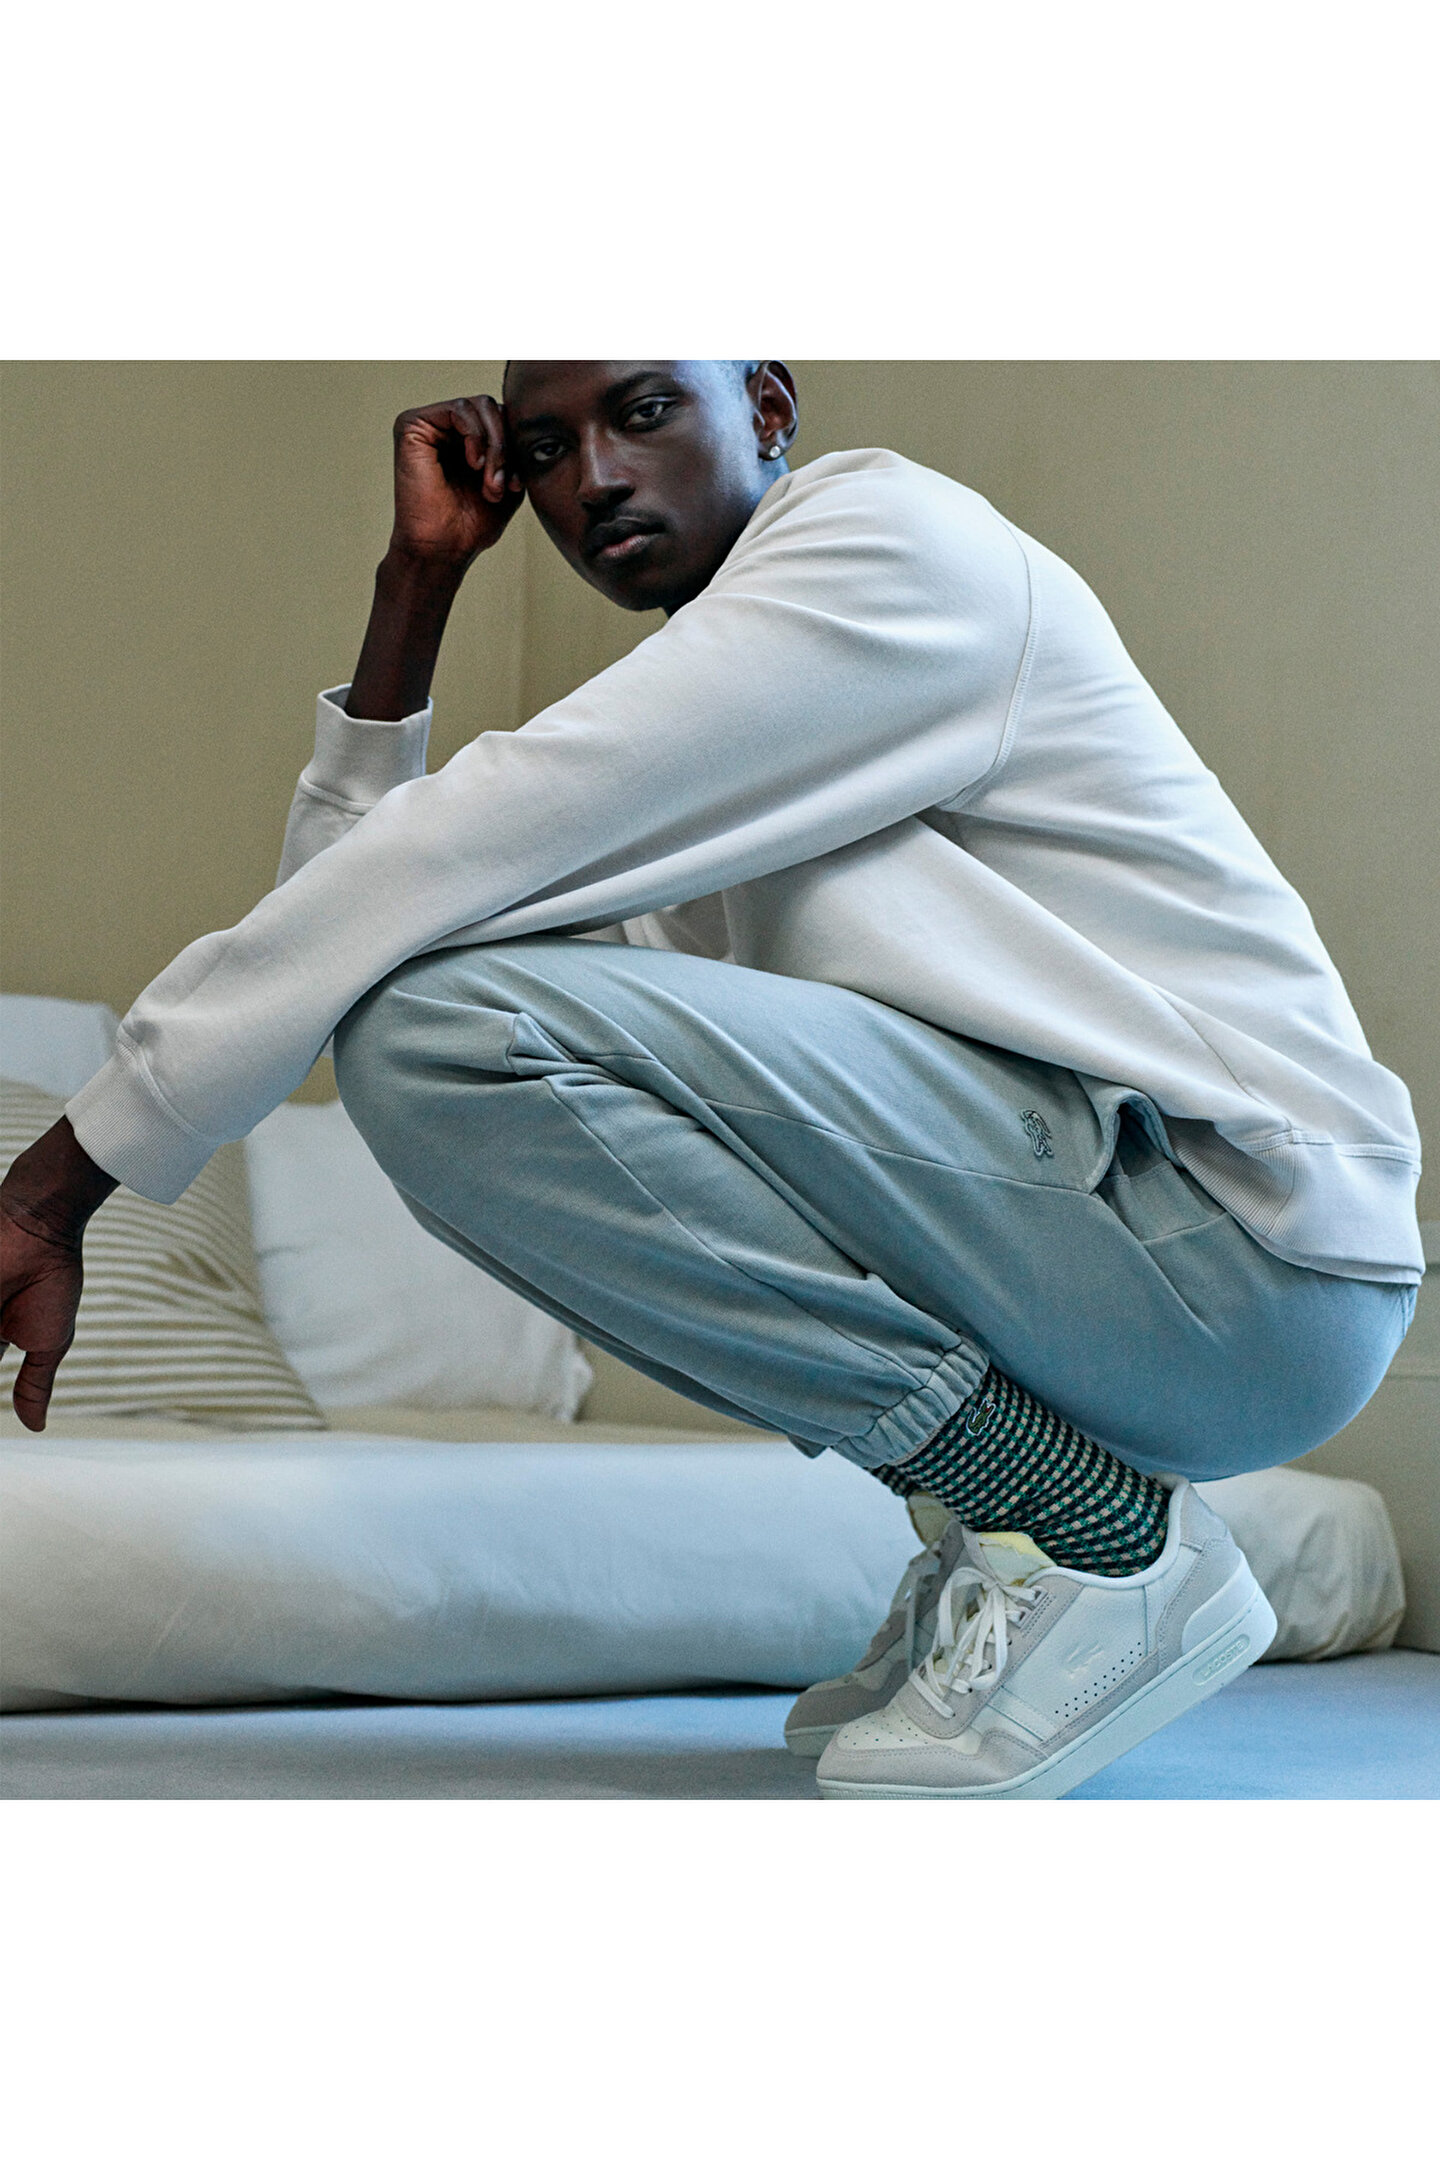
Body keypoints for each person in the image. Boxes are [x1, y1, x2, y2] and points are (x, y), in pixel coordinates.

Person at [0, 361, 1423, 1798]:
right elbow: (354, 934)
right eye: (545, 450)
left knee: (445, 1032)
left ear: (767, 408)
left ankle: (1086, 1534)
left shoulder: (890, 546)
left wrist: (53, 1193)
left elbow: (419, 886)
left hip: (1236, 1245)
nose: (594, 480)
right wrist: (417, 586)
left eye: (642, 414)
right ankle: (1007, 1510)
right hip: (1132, 1276)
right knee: (430, 1027)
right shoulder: (717, 759)